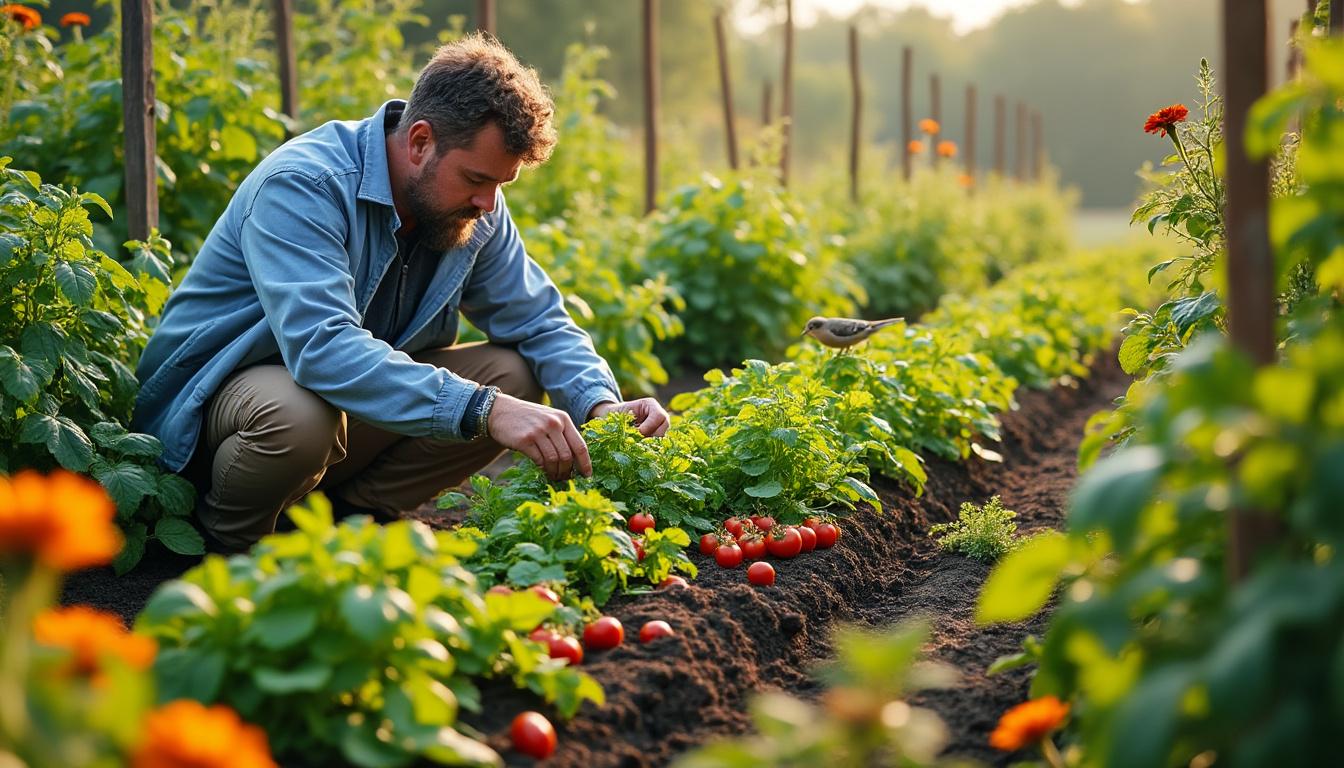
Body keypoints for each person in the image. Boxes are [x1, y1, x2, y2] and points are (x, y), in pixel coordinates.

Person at [131, 34, 669, 552]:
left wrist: (601, 406)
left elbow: (541, 321)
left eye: (502, 184)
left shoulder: (472, 208)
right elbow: (322, 350)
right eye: (477, 178)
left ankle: (350, 518)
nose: (489, 202)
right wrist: (482, 409)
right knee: (299, 416)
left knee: (515, 374)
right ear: (420, 141)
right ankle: (229, 544)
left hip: (332, 419)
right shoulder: (305, 185)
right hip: (218, 423)